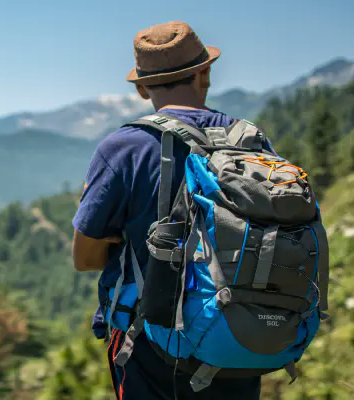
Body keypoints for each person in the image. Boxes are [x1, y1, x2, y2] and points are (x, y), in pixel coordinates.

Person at [71, 21, 272, 399]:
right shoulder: (251, 142)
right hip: (237, 334)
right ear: (205, 74)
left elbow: (84, 258)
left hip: (150, 342)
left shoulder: (124, 148)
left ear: (142, 87)